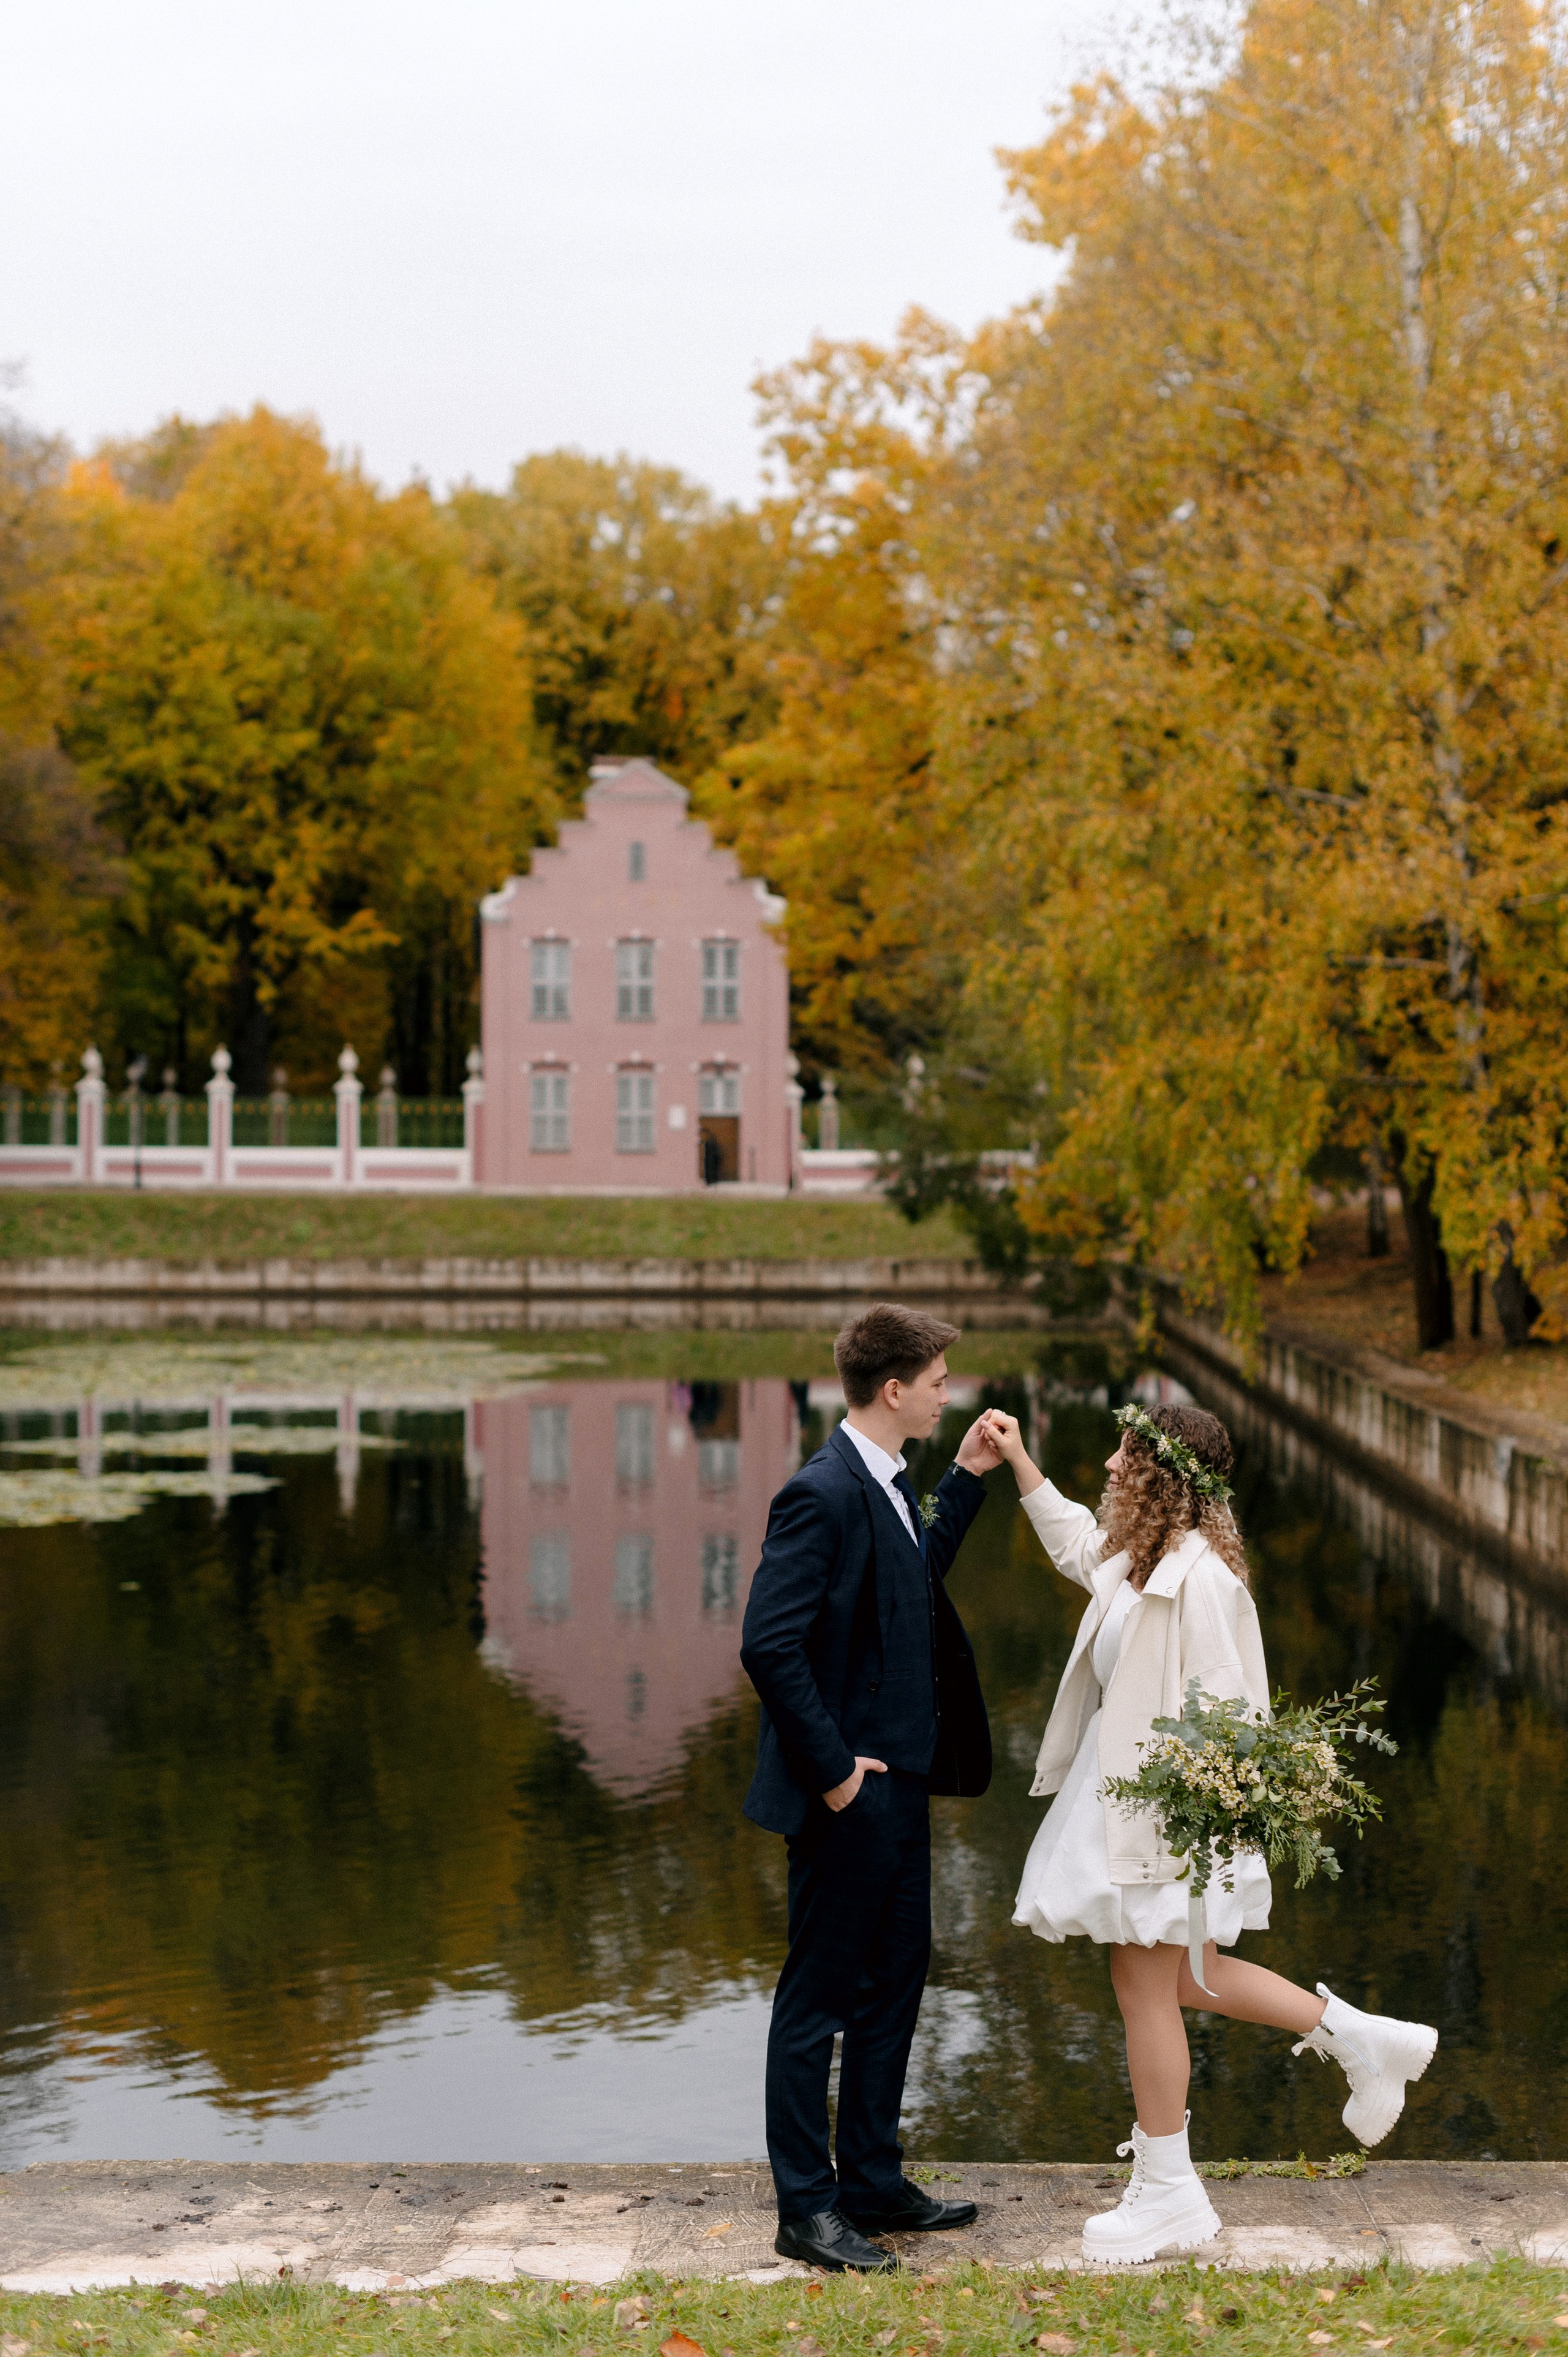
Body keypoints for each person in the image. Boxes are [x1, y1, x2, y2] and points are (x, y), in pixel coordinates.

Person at [981, 1399, 1439, 2268]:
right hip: (1128, 1807)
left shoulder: (1203, 1583)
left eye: (1124, 1457)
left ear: (1160, 1478)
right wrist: (1020, 1462)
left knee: (1149, 1985)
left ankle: (1169, 2195)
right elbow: (1080, 1548)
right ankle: (1360, 2039)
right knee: (1187, 1978)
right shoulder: (1138, 1561)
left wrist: (1209, 1843)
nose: (1111, 1469)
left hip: (1165, 1822)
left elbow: (1236, 1717)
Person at [740, 1303, 1001, 2274]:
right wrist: (838, 1773)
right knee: (817, 2001)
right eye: (938, 1383)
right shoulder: (822, 1492)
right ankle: (806, 2210)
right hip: (847, 1798)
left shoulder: (886, 1483)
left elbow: (907, 1587)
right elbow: (768, 1644)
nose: (947, 1395)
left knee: (896, 1981)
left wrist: (967, 1480)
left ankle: (870, 2182)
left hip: (904, 1791)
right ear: (894, 1389)